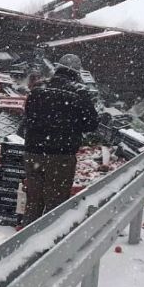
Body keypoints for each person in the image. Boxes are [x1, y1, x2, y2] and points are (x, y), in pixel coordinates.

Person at [22, 54, 99, 225]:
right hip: (60, 156)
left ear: (57, 68)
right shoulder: (79, 92)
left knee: (33, 201)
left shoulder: (38, 88)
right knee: (55, 204)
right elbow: (92, 124)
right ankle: (47, 246)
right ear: (76, 72)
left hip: (33, 153)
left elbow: (27, 117)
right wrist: (71, 125)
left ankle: (24, 241)